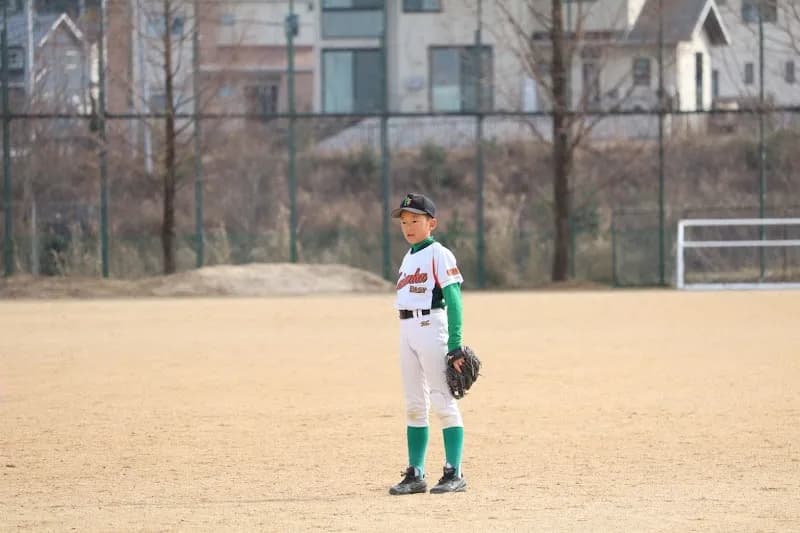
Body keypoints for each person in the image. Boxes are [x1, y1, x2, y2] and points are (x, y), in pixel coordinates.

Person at [388, 192, 468, 495]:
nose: (408, 226)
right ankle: (416, 473)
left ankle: (454, 471)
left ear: (431, 223)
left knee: (443, 399)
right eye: (404, 221)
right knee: (414, 404)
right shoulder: (408, 258)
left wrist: (455, 343)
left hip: (431, 325)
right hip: (406, 328)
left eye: (415, 220)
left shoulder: (439, 253)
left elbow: (454, 299)